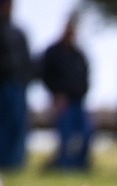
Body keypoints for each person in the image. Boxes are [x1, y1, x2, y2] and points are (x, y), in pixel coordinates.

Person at [0, 0, 32, 170]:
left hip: (16, 84)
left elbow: (25, 59)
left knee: (16, 125)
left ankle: (14, 163)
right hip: (0, 85)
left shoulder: (14, 30)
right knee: (0, 127)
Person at [41, 13, 92, 171]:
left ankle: (80, 165)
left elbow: (86, 76)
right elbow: (45, 74)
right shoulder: (53, 52)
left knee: (87, 131)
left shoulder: (78, 54)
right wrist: (56, 94)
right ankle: (65, 166)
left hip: (79, 102)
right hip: (63, 102)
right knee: (66, 135)